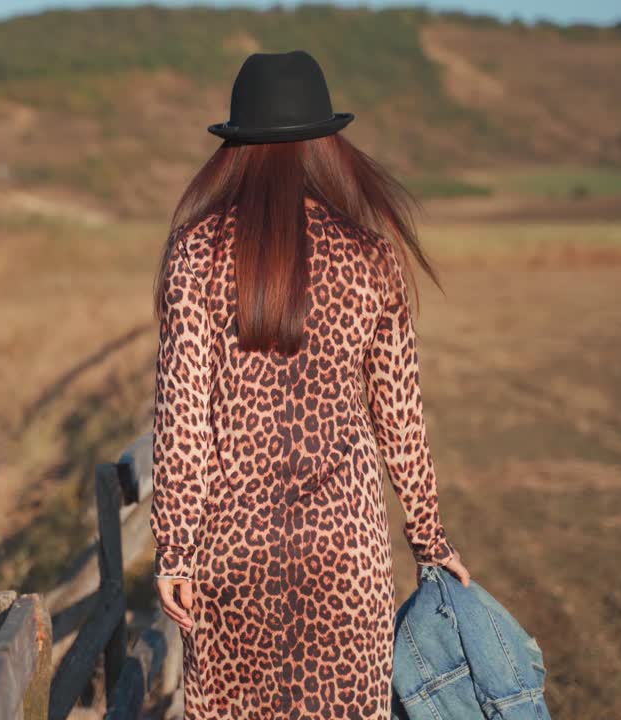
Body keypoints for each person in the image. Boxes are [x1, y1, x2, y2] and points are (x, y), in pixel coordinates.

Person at [150, 50, 472, 719]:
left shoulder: (195, 252)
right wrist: (431, 541)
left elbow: (182, 420)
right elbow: (401, 419)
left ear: (234, 147)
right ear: (329, 144)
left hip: (232, 550)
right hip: (345, 552)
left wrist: (175, 549)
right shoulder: (371, 254)